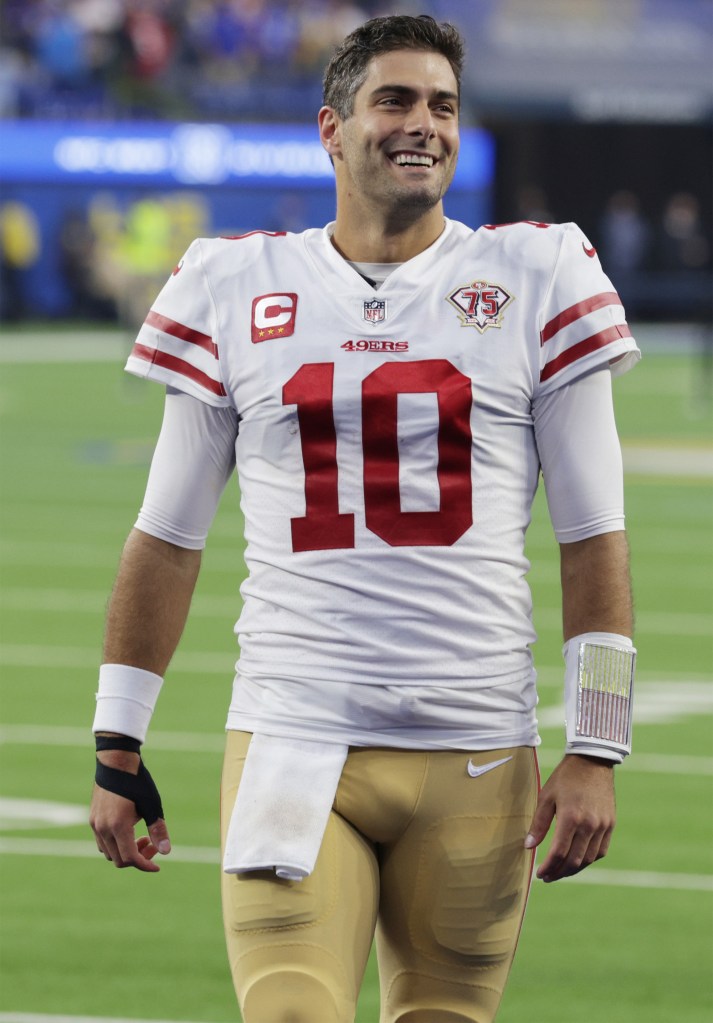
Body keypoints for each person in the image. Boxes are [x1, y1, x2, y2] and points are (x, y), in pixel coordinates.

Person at [89, 15, 639, 1023]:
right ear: (331, 130)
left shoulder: (537, 274)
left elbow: (590, 533)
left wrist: (596, 746)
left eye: (440, 104)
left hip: (475, 746)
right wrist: (114, 747)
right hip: (293, 734)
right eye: (393, 100)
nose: (421, 123)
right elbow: (166, 537)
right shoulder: (232, 282)